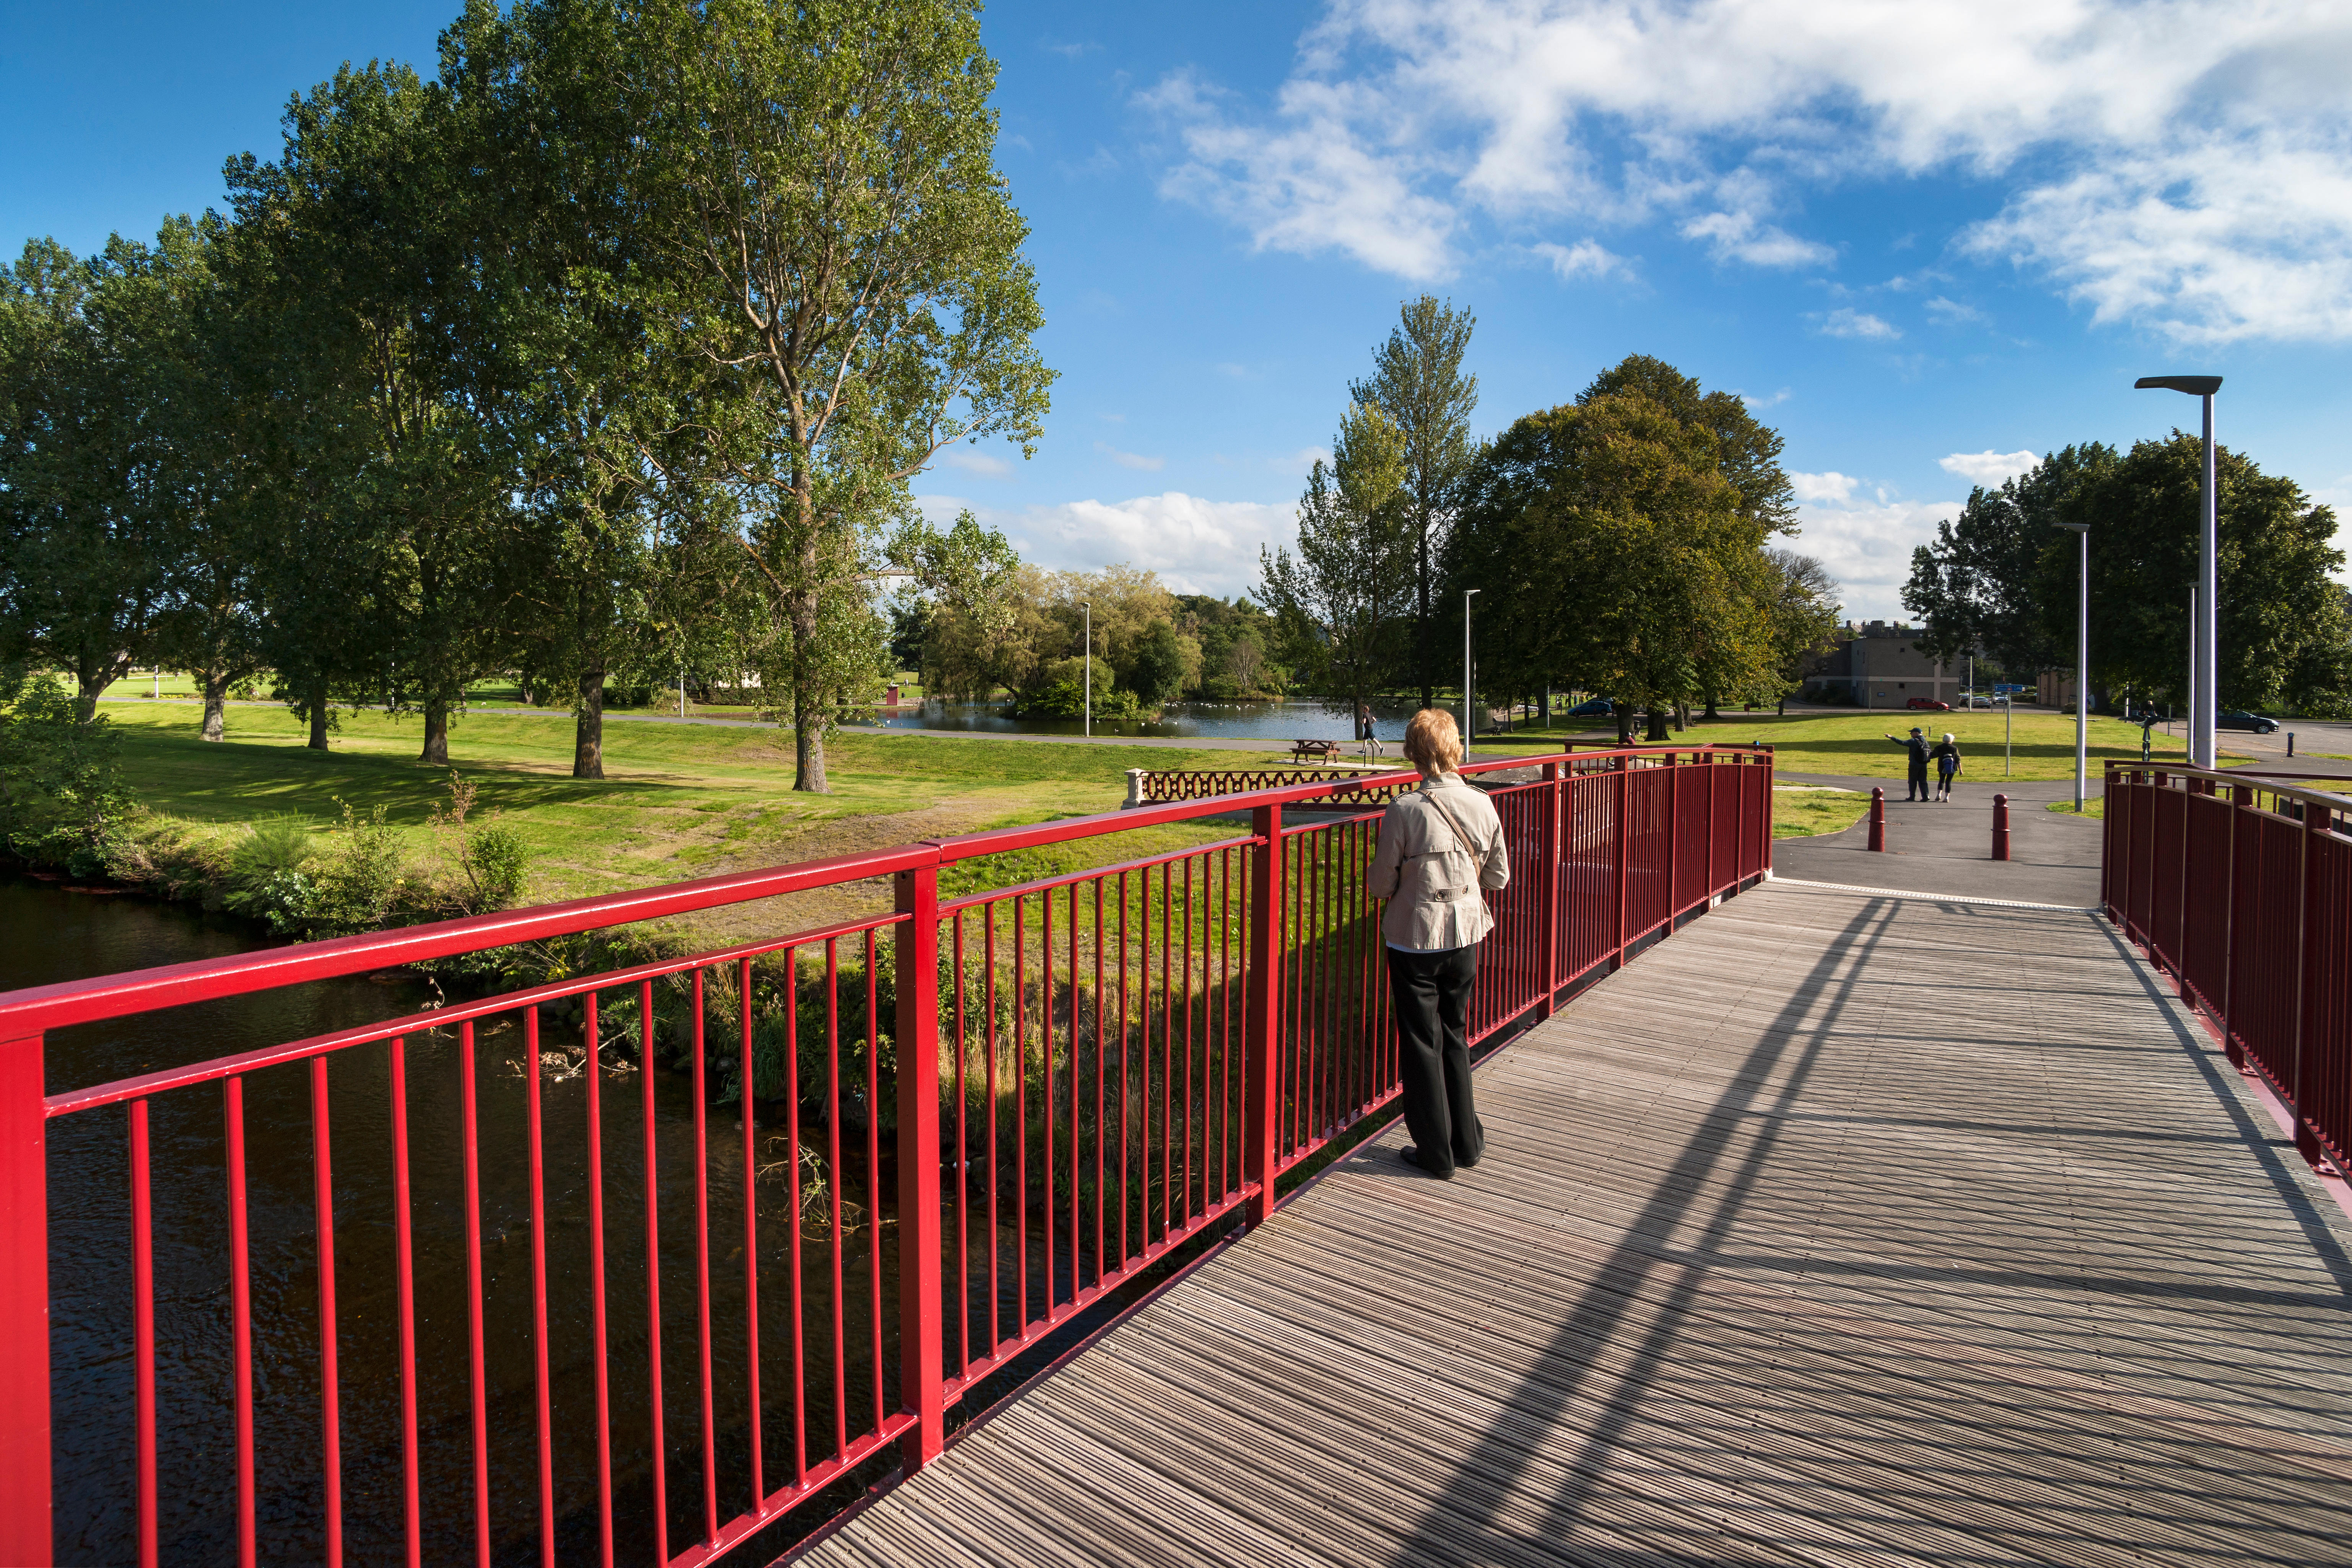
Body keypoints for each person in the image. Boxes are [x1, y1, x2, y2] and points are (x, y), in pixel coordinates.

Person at [1365, 708, 1510, 1179]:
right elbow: (1499, 877)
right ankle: (1466, 1141)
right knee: (1454, 1032)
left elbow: (1381, 885)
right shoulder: (1482, 802)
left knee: (1420, 1041)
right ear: (1454, 748)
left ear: (1413, 754)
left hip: (1415, 939)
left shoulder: (1404, 809)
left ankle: (1435, 1151)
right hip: (1466, 933)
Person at [1885, 726, 1932, 801]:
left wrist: (1892, 737)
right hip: (1924, 764)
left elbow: (1902, 743)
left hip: (1914, 764)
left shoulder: (1913, 741)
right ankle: (1926, 796)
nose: (1911, 734)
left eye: (1912, 732)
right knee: (1923, 781)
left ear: (1917, 733)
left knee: (1912, 781)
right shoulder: (1926, 742)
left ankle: (1912, 797)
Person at [1930, 732, 1962, 802]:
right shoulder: (1954, 748)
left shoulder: (1939, 747)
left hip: (1942, 766)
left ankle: (1939, 795)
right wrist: (1961, 770)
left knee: (1941, 780)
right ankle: (1947, 797)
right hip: (1952, 767)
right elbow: (1958, 760)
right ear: (1951, 740)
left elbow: (1933, 755)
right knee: (1948, 782)